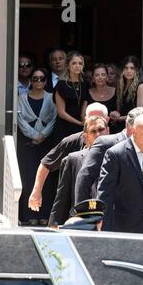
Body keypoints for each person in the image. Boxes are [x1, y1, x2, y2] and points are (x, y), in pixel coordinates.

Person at [28, 102, 109, 213]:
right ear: (85, 120)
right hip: (78, 204)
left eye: (99, 119)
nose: (97, 133)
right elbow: (46, 163)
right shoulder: (71, 141)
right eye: (91, 118)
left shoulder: (117, 143)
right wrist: (36, 191)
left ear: (107, 120)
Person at [97, 113, 143, 234]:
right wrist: (104, 226)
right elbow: (105, 193)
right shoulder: (116, 154)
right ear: (134, 132)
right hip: (127, 223)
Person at [75, 107, 143, 204]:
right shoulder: (105, 144)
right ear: (128, 126)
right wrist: (85, 214)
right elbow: (84, 178)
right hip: (117, 214)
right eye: (142, 129)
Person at [48, 116, 109, 227]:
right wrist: (53, 226)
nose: (98, 134)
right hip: (81, 221)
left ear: (108, 131)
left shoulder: (119, 157)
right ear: (86, 137)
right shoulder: (72, 160)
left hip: (110, 222)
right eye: (93, 131)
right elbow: (62, 198)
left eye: (101, 130)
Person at [17, 68, 57, 225]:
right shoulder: (21, 98)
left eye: (42, 79)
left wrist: (43, 136)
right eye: (35, 79)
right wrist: (34, 135)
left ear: (46, 81)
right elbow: (19, 118)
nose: (38, 81)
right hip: (28, 145)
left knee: (46, 179)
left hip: (46, 144)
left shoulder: (51, 97)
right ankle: (29, 216)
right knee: (29, 178)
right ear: (31, 81)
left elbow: (54, 118)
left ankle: (45, 214)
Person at [53, 51, 90, 143]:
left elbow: (84, 106)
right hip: (64, 127)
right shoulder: (61, 84)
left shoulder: (85, 84)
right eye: (74, 63)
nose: (77, 66)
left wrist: (84, 122)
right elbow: (61, 112)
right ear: (67, 65)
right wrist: (79, 123)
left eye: (80, 63)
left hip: (81, 127)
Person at [110, 56, 143, 134]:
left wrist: (120, 118)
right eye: (126, 68)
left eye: (132, 68)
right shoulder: (120, 86)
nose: (129, 71)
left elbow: (140, 113)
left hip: (134, 129)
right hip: (120, 129)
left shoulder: (141, 86)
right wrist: (114, 114)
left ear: (137, 70)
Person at [84, 63, 117, 130]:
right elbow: (83, 116)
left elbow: (120, 111)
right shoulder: (88, 92)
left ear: (107, 77)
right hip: (93, 130)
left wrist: (117, 115)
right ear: (93, 78)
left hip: (113, 131)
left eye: (103, 75)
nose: (100, 77)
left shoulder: (116, 91)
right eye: (97, 75)